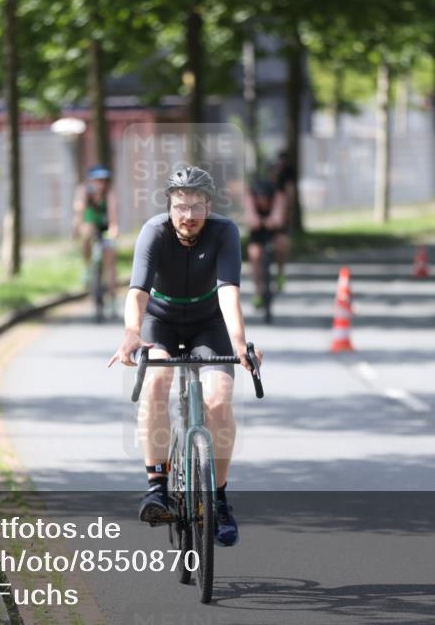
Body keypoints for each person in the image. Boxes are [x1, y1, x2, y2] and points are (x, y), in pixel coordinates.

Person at [108, 166, 261, 547]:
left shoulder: (224, 231)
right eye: (180, 207)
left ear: (209, 205)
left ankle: (220, 500)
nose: (188, 215)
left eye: (196, 206)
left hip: (209, 324)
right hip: (161, 321)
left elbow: (228, 293)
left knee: (220, 402)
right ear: (169, 206)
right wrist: (130, 333)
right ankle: (156, 486)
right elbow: (138, 292)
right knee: (157, 382)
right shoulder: (154, 232)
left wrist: (240, 344)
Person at [72, 165, 119, 306]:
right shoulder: (83, 190)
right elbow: (79, 212)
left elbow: (113, 214)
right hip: (90, 224)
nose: (102, 184)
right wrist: (76, 228)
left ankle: (112, 298)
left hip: (105, 226)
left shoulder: (110, 193)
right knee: (87, 232)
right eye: (98, 180)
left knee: (110, 261)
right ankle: (87, 268)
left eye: (105, 181)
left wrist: (114, 229)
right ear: (91, 181)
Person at [245, 178, 289, 307]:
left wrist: (272, 220)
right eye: (259, 198)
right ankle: (257, 291)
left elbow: (278, 219)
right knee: (254, 253)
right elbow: (251, 219)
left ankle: (280, 273)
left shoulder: (278, 196)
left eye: (265, 197)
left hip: (276, 231)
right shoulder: (250, 197)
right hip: (257, 232)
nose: (262, 201)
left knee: (283, 243)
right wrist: (255, 220)